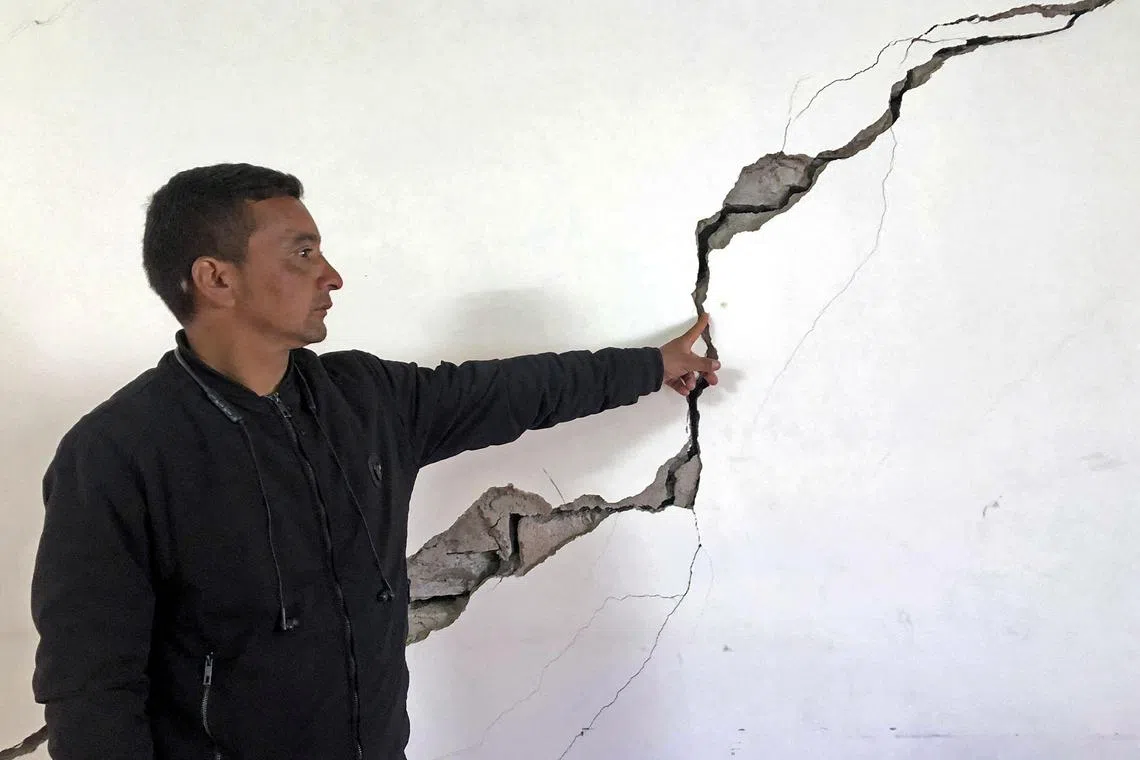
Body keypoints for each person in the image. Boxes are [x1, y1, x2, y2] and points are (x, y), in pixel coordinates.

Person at [29, 163, 720, 760]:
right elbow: (89, 689)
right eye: (301, 253)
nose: (332, 275)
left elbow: (516, 390)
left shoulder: (365, 400)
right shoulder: (117, 454)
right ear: (217, 278)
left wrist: (653, 365)